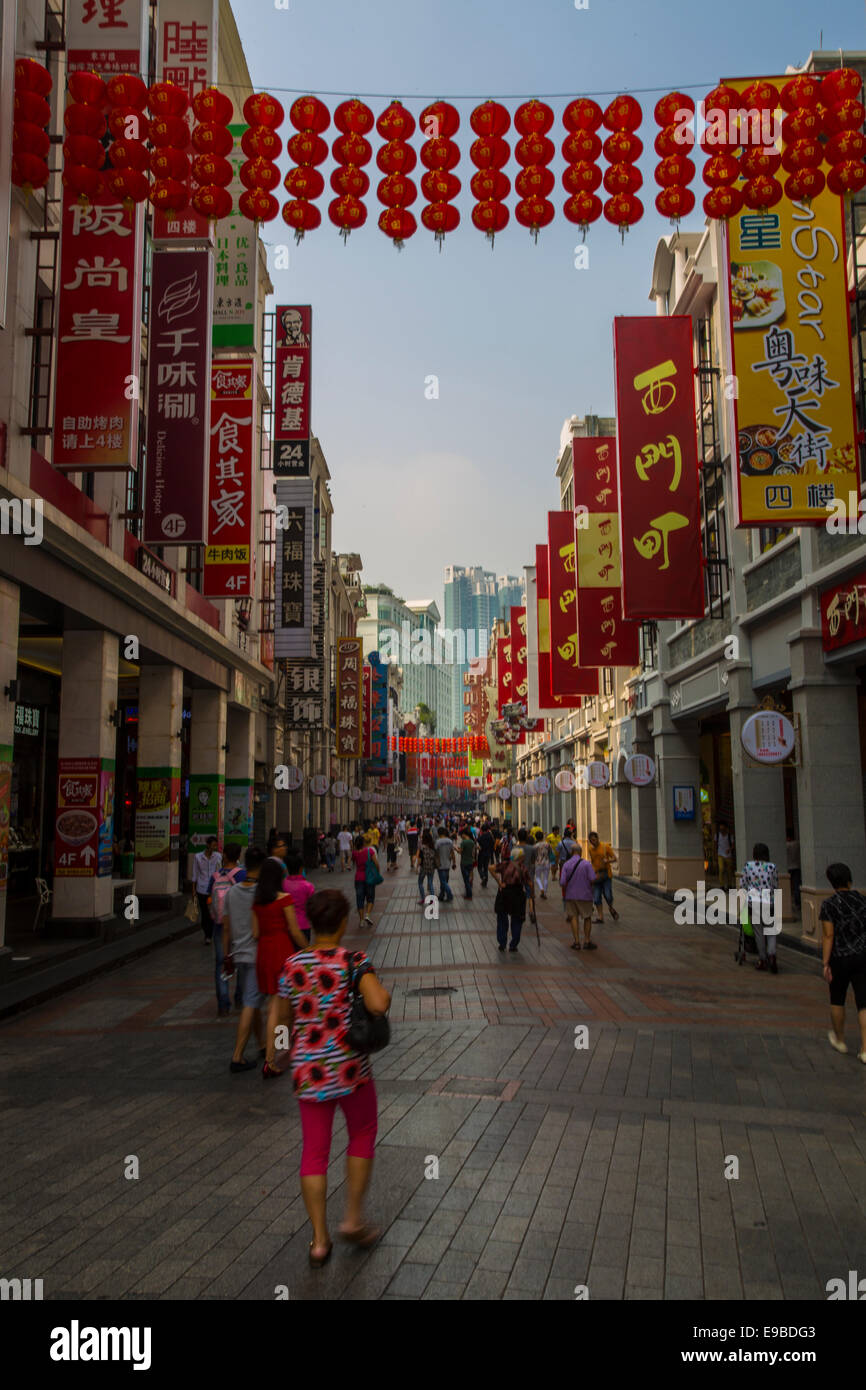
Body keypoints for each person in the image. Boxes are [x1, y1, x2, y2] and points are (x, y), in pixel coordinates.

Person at [276, 889, 390, 1266]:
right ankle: (352, 1219)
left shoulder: (292, 965)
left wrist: (279, 1053)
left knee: (314, 1152)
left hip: (309, 1072)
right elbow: (378, 1003)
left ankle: (320, 1240)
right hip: (350, 1069)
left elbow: (279, 1018)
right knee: (362, 1133)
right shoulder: (354, 961)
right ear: (342, 924)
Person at [253, 858, 307, 1077]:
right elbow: (294, 931)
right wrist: (309, 948)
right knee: (279, 1008)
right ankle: (272, 1058)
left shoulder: (256, 903)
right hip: (283, 952)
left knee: (273, 1005)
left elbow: (255, 933)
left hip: (264, 952)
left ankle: (280, 1050)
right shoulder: (285, 900)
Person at [223, 847, 267, 1073]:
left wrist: (225, 955)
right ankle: (237, 1055)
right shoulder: (262, 893)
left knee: (254, 1000)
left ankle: (262, 1044)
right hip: (256, 955)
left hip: (238, 954)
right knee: (251, 1003)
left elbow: (226, 928)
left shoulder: (232, 892)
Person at [819, 863, 866, 1062]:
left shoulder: (829, 904)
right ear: (849, 880)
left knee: (837, 998)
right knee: (864, 1003)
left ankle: (840, 1040)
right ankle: (865, 1049)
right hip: (863, 956)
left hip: (839, 958)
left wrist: (825, 963)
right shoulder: (863, 901)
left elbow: (829, 935)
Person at [209, 842, 246, 1017]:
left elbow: (211, 899)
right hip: (238, 925)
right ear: (239, 855)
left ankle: (223, 1003)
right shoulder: (242, 875)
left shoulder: (215, 876)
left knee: (220, 963)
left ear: (224, 855)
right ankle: (239, 996)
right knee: (240, 961)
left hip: (219, 924)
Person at [740, 842, 780, 974]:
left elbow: (743, 884)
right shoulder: (772, 867)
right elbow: (775, 884)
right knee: (771, 930)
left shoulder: (748, 866)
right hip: (769, 901)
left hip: (754, 902)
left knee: (759, 931)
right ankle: (772, 954)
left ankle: (762, 959)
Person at [490, 850, 532, 953]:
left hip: (504, 893)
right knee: (517, 919)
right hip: (517, 894)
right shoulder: (523, 868)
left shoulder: (505, 864)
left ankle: (502, 942)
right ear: (521, 857)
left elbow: (490, 868)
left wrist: (500, 883)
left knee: (502, 918)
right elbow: (529, 883)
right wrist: (531, 894)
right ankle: (513, 945)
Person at [560, 844, 597, 950]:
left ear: (571, 852)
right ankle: (587, 940)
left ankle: (576, 942)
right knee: (587, 917)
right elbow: (593, 879)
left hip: (570, 896)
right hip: (585, 895)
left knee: (573, 917)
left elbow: (562, 882)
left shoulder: (566, 865)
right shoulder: (586, 864)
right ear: (580, 852)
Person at [192, 836, 222, 943]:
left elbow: (219, 871)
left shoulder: (218, 856)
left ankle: (211, 932)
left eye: (215, 845)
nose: (214, 848)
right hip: (201, 889)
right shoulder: (198, 857)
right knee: (204, 913)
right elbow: (195, 874)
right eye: (213, 845)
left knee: (213, 912)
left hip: (213, 889)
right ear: (208, 845)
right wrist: (193, 890)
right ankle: (207, 935)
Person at [283, 849, 315, 944]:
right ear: (301, 868)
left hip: (286, 925)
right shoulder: (308, 886)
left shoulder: (282, 885)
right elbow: (311, 907)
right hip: (303, 925)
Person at [586, 831, 619, 924]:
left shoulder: (605, 847)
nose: (593, 842)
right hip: (596, 876)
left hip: (606, 875)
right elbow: (592, 862)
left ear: (597, 838)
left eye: (594, 839)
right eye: (591, 840)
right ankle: (600, 917)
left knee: (608, 895)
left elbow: (615, 858)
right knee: (596, 898)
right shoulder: (590, 850)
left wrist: (607, 861)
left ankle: (611, 908)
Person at [352, 833, 379, 928]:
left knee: (360, 899)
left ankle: (361, 920)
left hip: (358, 878)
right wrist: (377, 873)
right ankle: (368, 914)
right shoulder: (369, 851)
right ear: (363, 843)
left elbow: (352, 862)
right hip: (369, 878)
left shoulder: (354, 853)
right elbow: (376, 863)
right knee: (370, 897)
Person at [415, 828, 437, 905]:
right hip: (431, 867)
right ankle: (432, 900)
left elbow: (420, 859)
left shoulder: (422, 847)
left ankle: (423, 899)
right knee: (430, 883)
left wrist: (417, 867)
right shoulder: (433, 846)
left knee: (420, 882)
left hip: (423, 867)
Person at [435, 825, 456, 902]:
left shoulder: (437, 842)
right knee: (444, 881)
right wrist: (454, 863)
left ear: (438, 833)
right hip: (448, 864)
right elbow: (452, 853)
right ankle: (441, 895)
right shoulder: (450, 841)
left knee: (443, 881)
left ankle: (450, 895)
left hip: (440, 865)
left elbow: (436, 853)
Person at [459, 825, 477, 899]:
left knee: (466, 880)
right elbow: (473, 853)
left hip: (464, 862)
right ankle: (468, 893)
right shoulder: (472, 842)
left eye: (461, 835)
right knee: (468, 878)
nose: (461, 836)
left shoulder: (463, 842)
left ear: (464, 834)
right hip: (470, 862)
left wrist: (456, 849)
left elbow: (460, 852)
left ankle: (469, 895)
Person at [786, 827, 801, 910]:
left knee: (788, 886)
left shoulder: (786, 845)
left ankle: (788, 902)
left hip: (788, 867)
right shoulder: (797, 844)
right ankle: (797, 902)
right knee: (796, 885)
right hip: (796, 866)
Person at [477, 822, 495, 889]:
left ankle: (482, 877)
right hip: (488, 854)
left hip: (482, 853)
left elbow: (477, 843)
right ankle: (485, 882)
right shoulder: (490, 836)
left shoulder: (481, 837)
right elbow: (493, 843)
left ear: (482, 830)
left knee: (479, 867)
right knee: (485, 867)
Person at [717, 821, 734, 892]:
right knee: (721, 869)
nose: (722, 831)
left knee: (729, 871)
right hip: (720, 854)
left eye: (723, 829)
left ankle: (729, 885)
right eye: (721, 829)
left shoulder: (730, 836)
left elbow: (733, 844)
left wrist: (729, 849)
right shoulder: (717, 835)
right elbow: (715, 844)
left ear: (726, 829)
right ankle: (722, 885)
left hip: (728, 855)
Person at [533, 830, 550, 900]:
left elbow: (534, 855)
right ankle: (545, 893)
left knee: (538, 877)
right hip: (546, 862)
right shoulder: (547, 844)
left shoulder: (535, 846)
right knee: (546, 878)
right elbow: (549, 851)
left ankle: (541, 888)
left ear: (536, 838)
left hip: (538, 863)